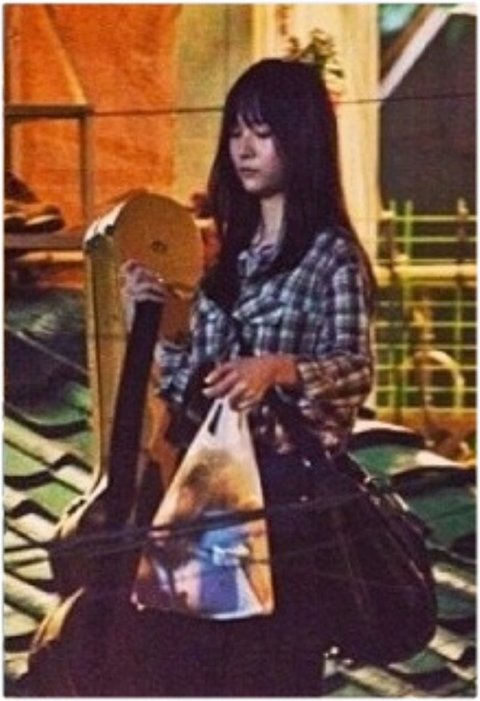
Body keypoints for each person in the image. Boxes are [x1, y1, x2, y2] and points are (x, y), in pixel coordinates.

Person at [121, 58, 375, 697]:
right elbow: (186, 388)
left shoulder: (331, 258)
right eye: (236, 131)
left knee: (273, 670)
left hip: (287, 504)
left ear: (301, 138)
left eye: (262, 131)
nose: (243, 147)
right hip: (211, 499)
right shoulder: (229, 259)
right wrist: (151, 322)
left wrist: (279, 369)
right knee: (193, 668)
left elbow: (355, 369)